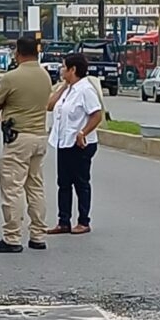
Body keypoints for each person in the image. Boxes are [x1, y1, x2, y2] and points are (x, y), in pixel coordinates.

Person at [0, 33, 52, 253]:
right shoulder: (45, 76)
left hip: (18, 138)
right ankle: (38, 235)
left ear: (17, 52)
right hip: (39, 136)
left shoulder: (11, 77)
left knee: (12, 187)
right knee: (35, 187)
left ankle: (12, 237)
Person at [47, 53, 104, 235]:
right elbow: (49, 105)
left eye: (64, 67)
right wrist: (64, 85)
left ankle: (83, 221)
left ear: (73, 69)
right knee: (63, 183)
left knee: (81, 182)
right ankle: (63, 221)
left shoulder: (86, 89)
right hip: (63, 142)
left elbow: (96, 115)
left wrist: (83, 132)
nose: (61, 70)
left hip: (80, 144)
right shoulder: (69, 89)